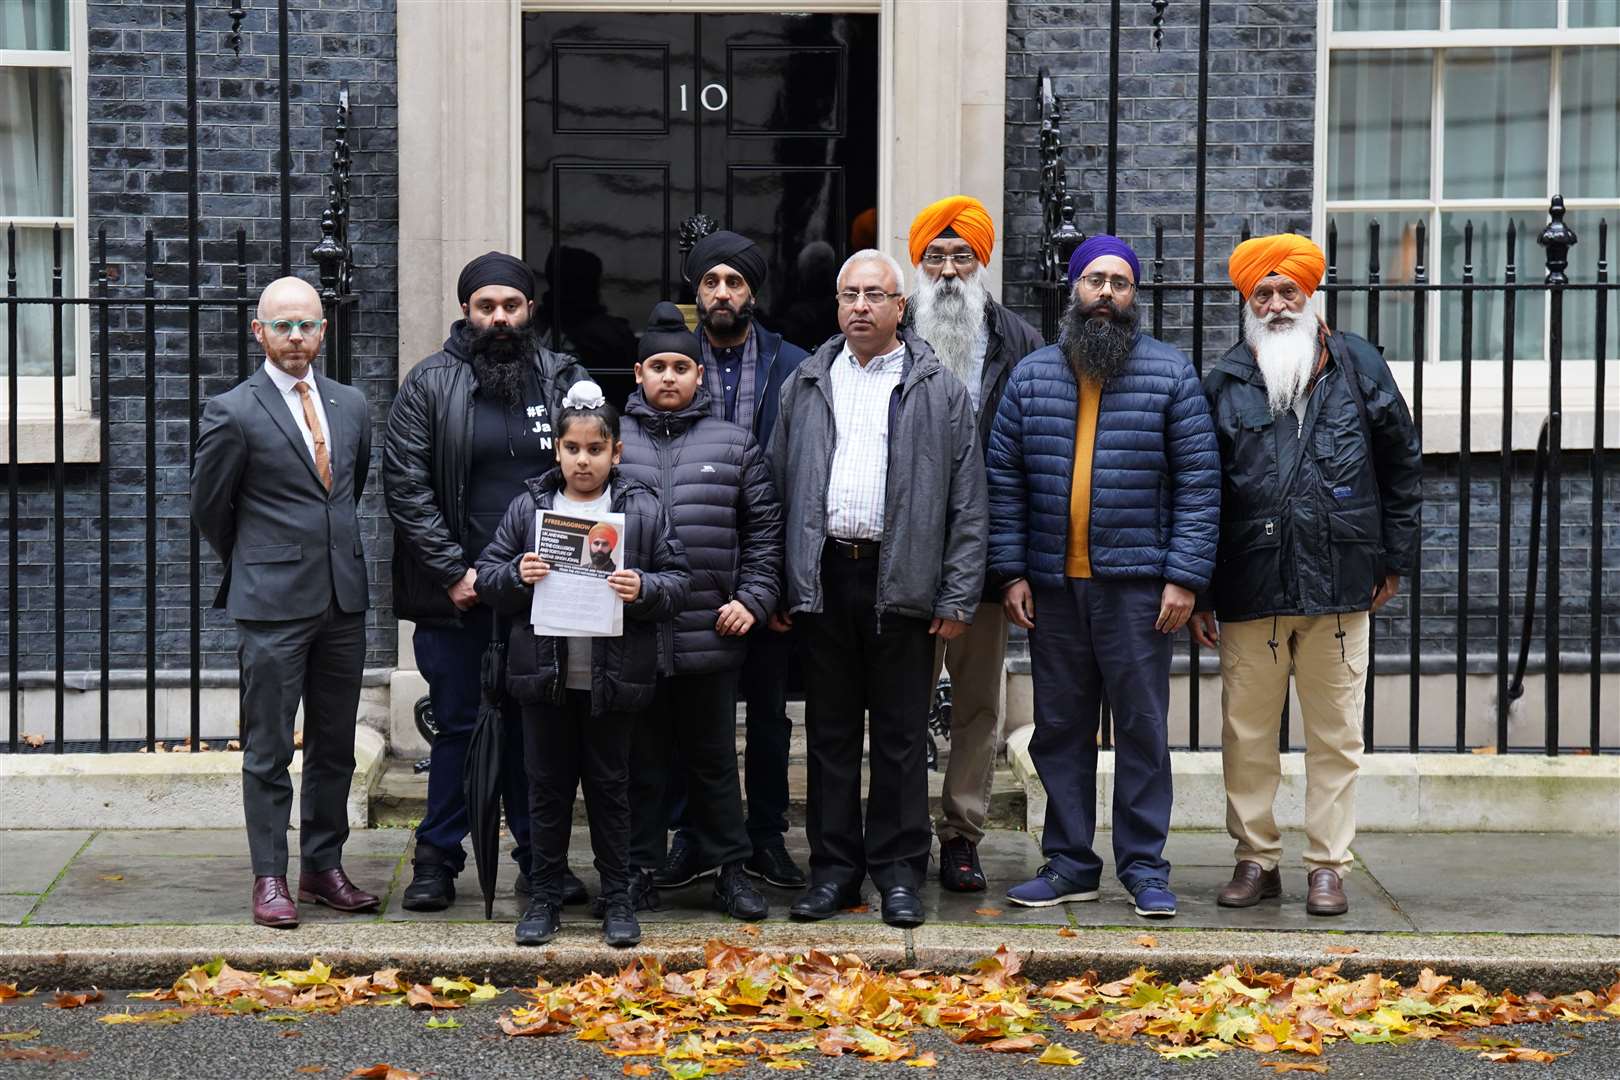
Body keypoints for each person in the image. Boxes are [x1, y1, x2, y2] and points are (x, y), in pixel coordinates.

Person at [988, 236, 1220, 920]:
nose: (1107, 294)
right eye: (1096, 280)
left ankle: (1145, 867)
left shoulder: (1170, 375)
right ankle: (1069, 863)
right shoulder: (1030, 377)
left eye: (1120, 282)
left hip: (1140, 591)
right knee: (1060, 728)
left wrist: (1184, 579)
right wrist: (1010, 574)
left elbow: (1200, 485)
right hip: (1054, 588)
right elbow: (1004, 482)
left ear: (1134, 297)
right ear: (1073, 291)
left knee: (1142, 727)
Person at [1191, 234, 1421, 917]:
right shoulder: (1224, 381)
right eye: (1261, 292)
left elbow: (1401, 464)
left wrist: (1395, 559)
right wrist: (1201, 587)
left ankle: (1328, 865)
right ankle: (1255, 858)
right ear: (1247, 301)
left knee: (1336, 734)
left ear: (1309, 293)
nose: (1275, 303)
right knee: (1247, 734)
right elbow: (1201, 489)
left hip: (1342, 579)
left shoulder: (1358, 365)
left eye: (1287, 290)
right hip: (1249, 582)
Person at [770, 249, 988, 929]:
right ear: (836, 306)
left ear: (901, 306)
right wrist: (782, 584)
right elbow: (778, 490)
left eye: (875, 294)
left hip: (905, 579)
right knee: (831, 734)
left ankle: (898, 874)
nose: (860, 305)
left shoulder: (939, 388)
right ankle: (833, 871)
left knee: (898, 738)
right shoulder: (805, 383)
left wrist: (955, 598)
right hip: (827, 576)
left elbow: (968, 503)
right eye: (849, 294)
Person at [383, 251, 589, 912]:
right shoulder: (429, 383)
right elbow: (405, 485)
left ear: (530, 310)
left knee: (538, 730)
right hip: (459, 595)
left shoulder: (564, 379)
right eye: (485, 306)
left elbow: (593, 473)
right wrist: (453, 573)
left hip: (544, 592)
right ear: (466, 311)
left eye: (511, 306)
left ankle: (541, 862)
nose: (499, 318)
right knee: (459, 727)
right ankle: (437, 861)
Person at [475, 381, 690, 947]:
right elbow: (488, 577)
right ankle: (544, 896)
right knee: (545, 790)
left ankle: (617, 897)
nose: (583, 460)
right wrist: (516, 577)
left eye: (595, 450)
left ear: (616, 452)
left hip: (612, 681)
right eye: (573, 449)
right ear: (558, 451)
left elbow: (679, 583)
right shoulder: (531, 508)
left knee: (610, 790)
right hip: (543, 680)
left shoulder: (639, 509)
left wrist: (642, 586)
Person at [191, 276, 378, 929]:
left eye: (307, 324)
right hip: (270, 602)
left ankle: (322, 868)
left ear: (323, 330)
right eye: (283, 326)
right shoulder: (233, 410)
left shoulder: (351, 405)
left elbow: (346, 496)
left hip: (341, 599)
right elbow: (210, 509)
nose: (295, 336)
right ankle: (269, 877)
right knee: (268, 747)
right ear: (259, 332)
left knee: (335, 745)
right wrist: (260, 561)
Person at [654, 230, 812, 894]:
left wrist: (781, 584)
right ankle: (689, 837)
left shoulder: (797, 365)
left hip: (767, 567)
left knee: (770, 715)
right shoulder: (670, 361)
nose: (723, 293)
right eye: (712, 281)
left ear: (753, 291)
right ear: (696, 291)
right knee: (686, 715)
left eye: (735, 282)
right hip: (689, 567)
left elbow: (809, 472)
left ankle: (766, 838)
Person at [618, 302, 784, 921]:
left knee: (714, 759)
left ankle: (731, 871)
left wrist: (754, 599)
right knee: (641, 763)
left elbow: (765, 534)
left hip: (709, 631)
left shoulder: (735, 444)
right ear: (638, 372)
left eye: (681, 367)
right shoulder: (612, 442)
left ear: (699, 375)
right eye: (657, 366)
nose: (669, 377)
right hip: (632, 634)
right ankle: (635, 871)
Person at [906, 195, 1045, 893]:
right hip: (902, 557)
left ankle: (961, 835)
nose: (950, 270)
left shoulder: (1019, 342)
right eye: (937, 256)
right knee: (901, 701)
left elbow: (1035, 454)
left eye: (963, 256)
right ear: (919, 262)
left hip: (986, 558)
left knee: (978, 708)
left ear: (982, 262)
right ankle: (902, 834)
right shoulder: (890, 331)